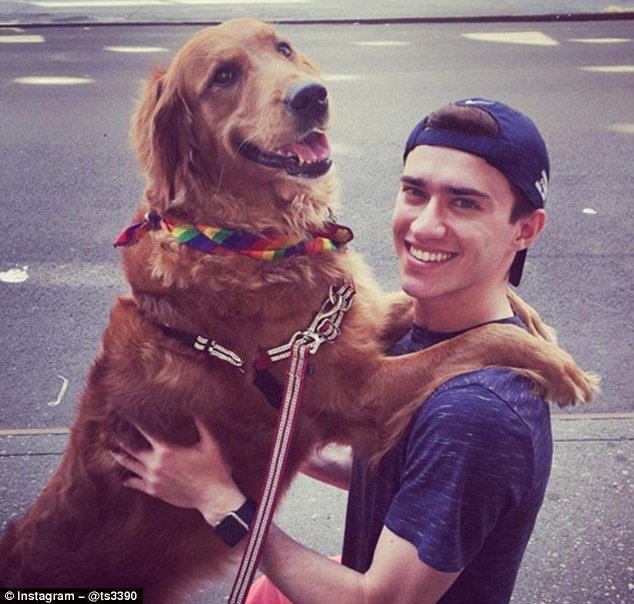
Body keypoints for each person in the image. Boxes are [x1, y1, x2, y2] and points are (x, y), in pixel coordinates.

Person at [111, 98, 553, 603]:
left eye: (465, 203)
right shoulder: (425, 333)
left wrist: (217, 499)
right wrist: (268, 443)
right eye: (415, 192)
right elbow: (406, 475)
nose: (425, 226)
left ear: (525, 229)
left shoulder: (476, 414)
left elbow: (377, 601)